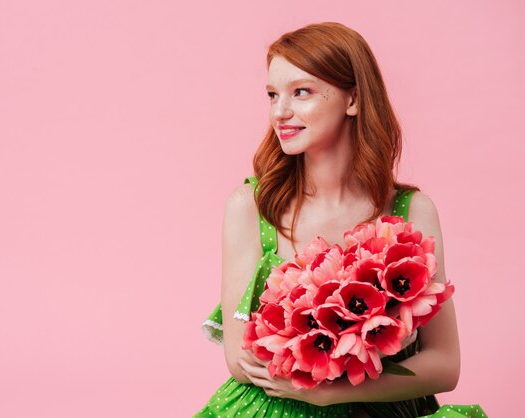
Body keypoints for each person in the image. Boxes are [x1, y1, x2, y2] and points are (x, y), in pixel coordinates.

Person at [195, 22, 486, 418]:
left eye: (301, 92)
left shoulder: (411, 211)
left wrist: (334, 392)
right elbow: (242, 361)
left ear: (353, 100)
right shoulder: (250, 206)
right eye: (272, 95)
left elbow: (444, 364)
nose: (280, 111)